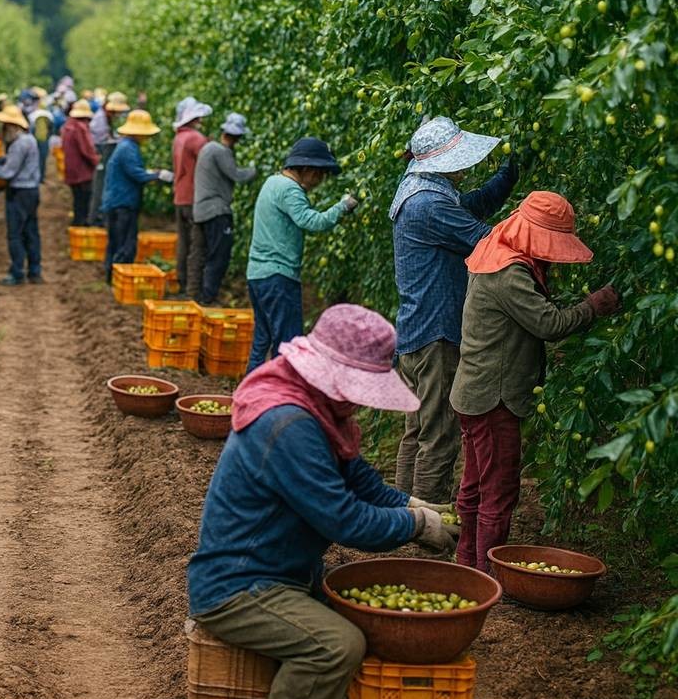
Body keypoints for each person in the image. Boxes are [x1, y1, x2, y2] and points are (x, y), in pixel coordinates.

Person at [188, 304, 456, 699]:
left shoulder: (318, 412)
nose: (361, 403)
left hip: (286, 574)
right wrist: (415, 524)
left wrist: (411, 503)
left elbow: (360, 481)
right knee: (336, 646)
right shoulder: (288, 425)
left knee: (373, 622)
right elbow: (346, 520)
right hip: (239, 586)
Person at [450, 192, 620, 572]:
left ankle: (468, 563)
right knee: (498, 490)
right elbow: (548, 324)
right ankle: (488, 575)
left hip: (474, 390)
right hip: (494, 398)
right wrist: (592, 306)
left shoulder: (495, 248)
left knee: (476, 486)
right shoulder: (509, 272)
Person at [389, 116, 520, 504]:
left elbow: (469, 208)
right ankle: (428, 524)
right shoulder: (429, 204)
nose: (464, 167)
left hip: (415, 330)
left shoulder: (418, 189)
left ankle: (404, 512)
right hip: (437, 335)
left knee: (418, 429)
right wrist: (529, 230)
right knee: (440, 433)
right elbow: (483, 239)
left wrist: (506, 177)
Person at [246, 138, 357, 372]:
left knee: (262, 339)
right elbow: (312, 221)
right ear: (307, 170)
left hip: (257, 275)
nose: (320, 181)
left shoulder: (272, 182)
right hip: (278, 277)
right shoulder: (290, 190)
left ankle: (249, 395)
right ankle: (281, 399)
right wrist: (344, 206)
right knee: (288, 344)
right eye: (320, 174)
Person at [100, 110, 174, 281]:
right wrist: (158, 175)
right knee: (124, 244)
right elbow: (137, 174)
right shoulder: (128, 148)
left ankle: (111, 276)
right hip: (123, 203)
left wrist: (151, 173)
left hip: (117, 200)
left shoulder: (126, 146)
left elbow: (133, 171)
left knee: (116, 241)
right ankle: (119, 277)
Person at [192, 113, 257, 305]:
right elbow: (238, 175)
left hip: (202, 210)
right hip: (216, 211)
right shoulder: (221, 152)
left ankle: (201, 294)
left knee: (207, 253)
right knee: (219, 255)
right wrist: (256, 169)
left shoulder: (208, 147)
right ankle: (208, 297)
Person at [0, 104, 42, 285]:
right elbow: (14, 161)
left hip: (19, 192)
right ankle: (34, 271)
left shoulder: (18, 144)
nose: (2, 130)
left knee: (15, 234)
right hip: (32, 191)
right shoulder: (29, 139)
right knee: (31, 231)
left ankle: (17, 273)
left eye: (5, 126)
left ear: (12, 126)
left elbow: (9, 172)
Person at [171, 97, 212, 295]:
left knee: (183, 241)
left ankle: (182, 281)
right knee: (198, 244)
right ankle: (193, 290)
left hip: (180, 195)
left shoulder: (179, 137)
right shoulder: (195, 139)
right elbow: (210, 161)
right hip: (194, 197)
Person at [87, 90, 130, 226]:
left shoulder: (106, 118)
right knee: (100, 187)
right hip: (101, 154)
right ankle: (95, 218)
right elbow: (101, 140)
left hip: (103, 153)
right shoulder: (100, 119)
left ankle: (99, 217)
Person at [61, 99, 99, 226]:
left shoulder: (67, 126)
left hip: (71, 169)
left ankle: (77, 223)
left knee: (77, 200)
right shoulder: (80, 127)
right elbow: (87, 150)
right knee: (83, 201)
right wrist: (97, 161)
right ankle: (80, 225)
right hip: (82, 172)